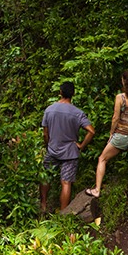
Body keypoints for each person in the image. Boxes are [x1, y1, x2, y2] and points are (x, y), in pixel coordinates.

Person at [85, 70, 128, 208]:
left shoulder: (121, 97)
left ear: (124, 81)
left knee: (102, 159)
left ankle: (97, 190)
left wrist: (111, 133)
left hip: (121, 135)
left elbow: (115, 118)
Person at [40, 81, 95, 213]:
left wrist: (48, 145)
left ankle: (43, 205)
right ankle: (63, 214)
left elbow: (45, 133)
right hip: (70, 152)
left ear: (60, 92)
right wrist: (81, 146)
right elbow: (91, 131)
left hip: (52, 150)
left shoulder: (49, 110)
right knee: (66, 182)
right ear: (73, 94)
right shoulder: (77, 113)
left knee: (45, 176)